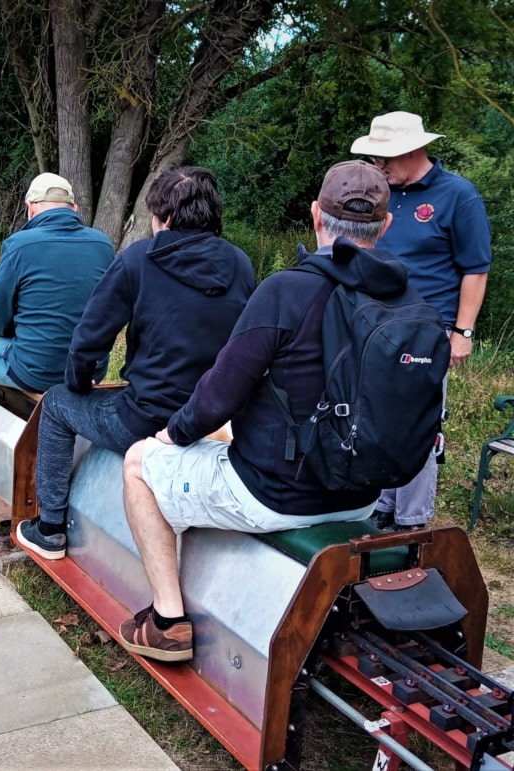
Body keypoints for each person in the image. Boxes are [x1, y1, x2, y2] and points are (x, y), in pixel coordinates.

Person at [117, 161, 402, 663]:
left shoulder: (286, 291)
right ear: (385, 225)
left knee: (139, 463)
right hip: (362, 498)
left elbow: (218, 396)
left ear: (316, 217)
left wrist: (170, 435)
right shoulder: (408, 302)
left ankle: (167, 621)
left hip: (275, 494)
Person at [16, 167, 255, 559]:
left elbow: (90, 337)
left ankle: (51, 528)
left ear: (167, 218)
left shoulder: (140, 259)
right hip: (214, 419)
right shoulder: (240, 264)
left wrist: (78, 383)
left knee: (58, 403)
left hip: (147, 418)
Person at [351, 111, 491, 530]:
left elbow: (476, 269)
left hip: (428, 332)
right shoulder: (381, 193)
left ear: (412, 150)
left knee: (418, 424)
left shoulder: (458, 196)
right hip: (375, 327)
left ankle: (411, 519)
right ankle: (381, 504)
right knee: (375, 419)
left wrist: (462, 332)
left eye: (385, 158)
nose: (378, 166)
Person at [0, 172, 114, 485]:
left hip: (36, 369)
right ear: (74, 209)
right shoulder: (102, 244)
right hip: (91, 369)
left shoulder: (19, 245)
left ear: (30, 208)